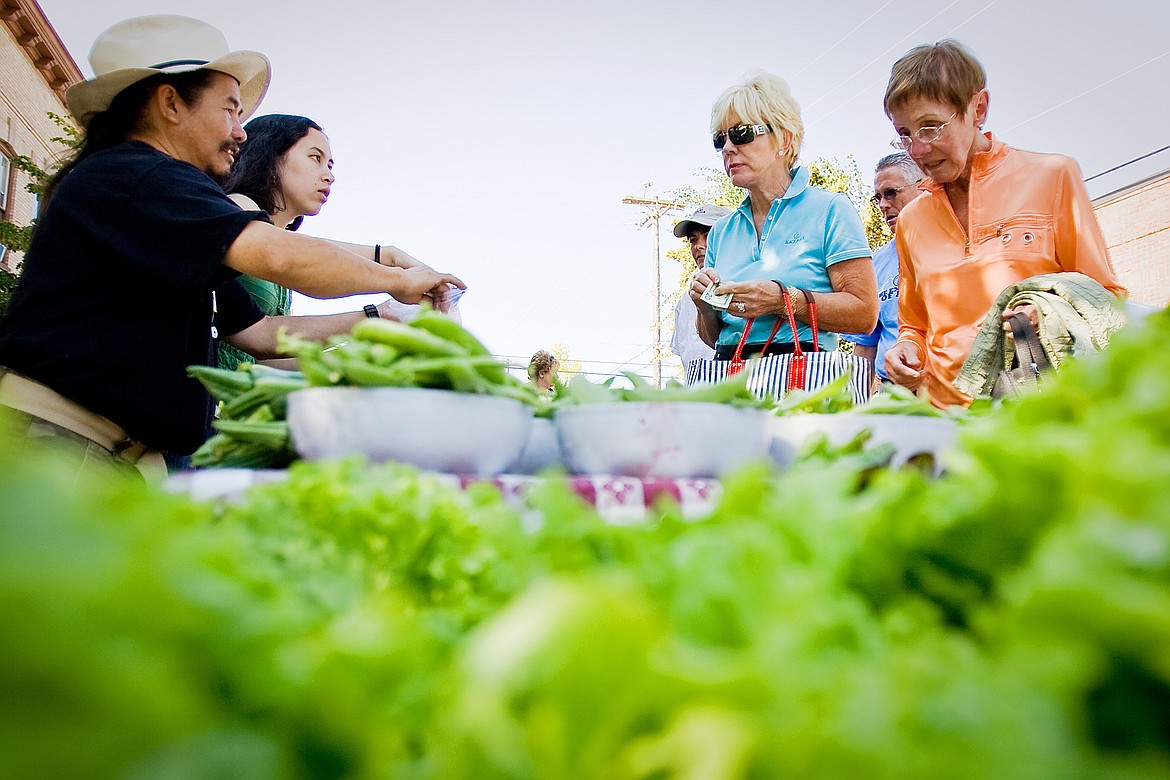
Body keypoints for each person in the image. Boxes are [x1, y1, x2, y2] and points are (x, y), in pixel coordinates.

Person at [0, 15, 463, 483]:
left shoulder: (155, 198)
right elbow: (281, 255)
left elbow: (258, 333)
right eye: (230, 110)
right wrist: (399, 280)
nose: (241, 132)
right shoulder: (138, 174)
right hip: (62, 445)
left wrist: (377, 316)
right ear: (170, 104)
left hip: (116, 455)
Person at [881, 39, 1125, 406]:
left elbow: (1104, 298)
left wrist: (1045, 314)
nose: (917, 149)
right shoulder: (911, 219)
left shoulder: (1052, 176)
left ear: (978, 109)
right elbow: (914, 325)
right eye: (905, 134)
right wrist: (905, 349)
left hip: (1040, 407)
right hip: (945, 420)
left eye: (930, 127)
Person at [218, 113, 457, 371]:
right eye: (315, 158)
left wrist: (361, 355)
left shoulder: (282, 245)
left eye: (330, 166)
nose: (329, 176)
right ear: (269, 155)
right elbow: (296, 257)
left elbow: (268, 355)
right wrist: (381, 303)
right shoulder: (237, 207)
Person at [690, 72, 877, 363]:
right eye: (720, 139)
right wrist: (704, 304)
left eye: (742, 133)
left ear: (785, 139)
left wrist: (783, 300)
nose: (728, 148)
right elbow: (716, 337)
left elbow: (864, 314)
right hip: (732, 376)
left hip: (802, 379)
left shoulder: (830, 210)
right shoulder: (721, 231)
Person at [843, 152, 922, 389]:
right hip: (895, 391)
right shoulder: (875, 262)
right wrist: (855, 403)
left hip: (950, 385)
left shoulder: (957, 247)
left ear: (924, 187)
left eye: (891, 193)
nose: (883, 205)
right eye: (877, 198)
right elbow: (865, 344)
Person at [670, 204, 730, 377]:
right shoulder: (685, 301)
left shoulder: (746, 285)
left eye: (708, 235)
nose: (699, 246)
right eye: (693, 239)